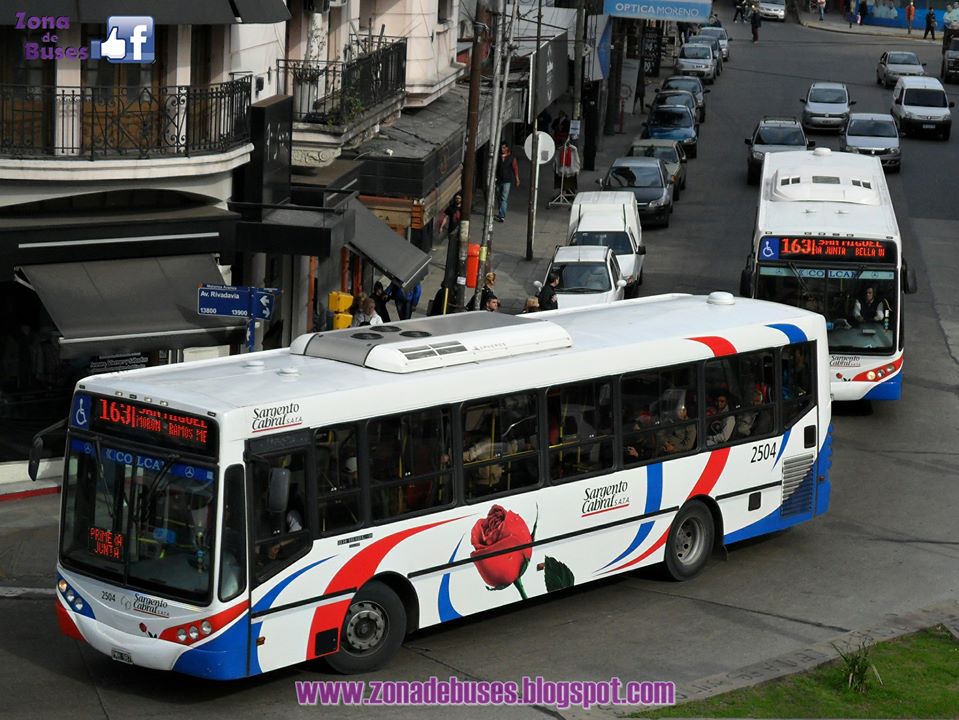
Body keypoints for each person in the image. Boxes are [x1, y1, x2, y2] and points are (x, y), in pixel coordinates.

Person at [494, 143, 520, 222]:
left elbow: (515, 168)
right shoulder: (497, 157)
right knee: (498, 196)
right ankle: (501, 210)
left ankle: (502, 216)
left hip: (507, 181)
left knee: (504, 198)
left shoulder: (511, 158)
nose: (502, 149)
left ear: (507, 148)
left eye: (504, 148)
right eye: (501, 148)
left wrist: (517, 179)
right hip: (499, 180)